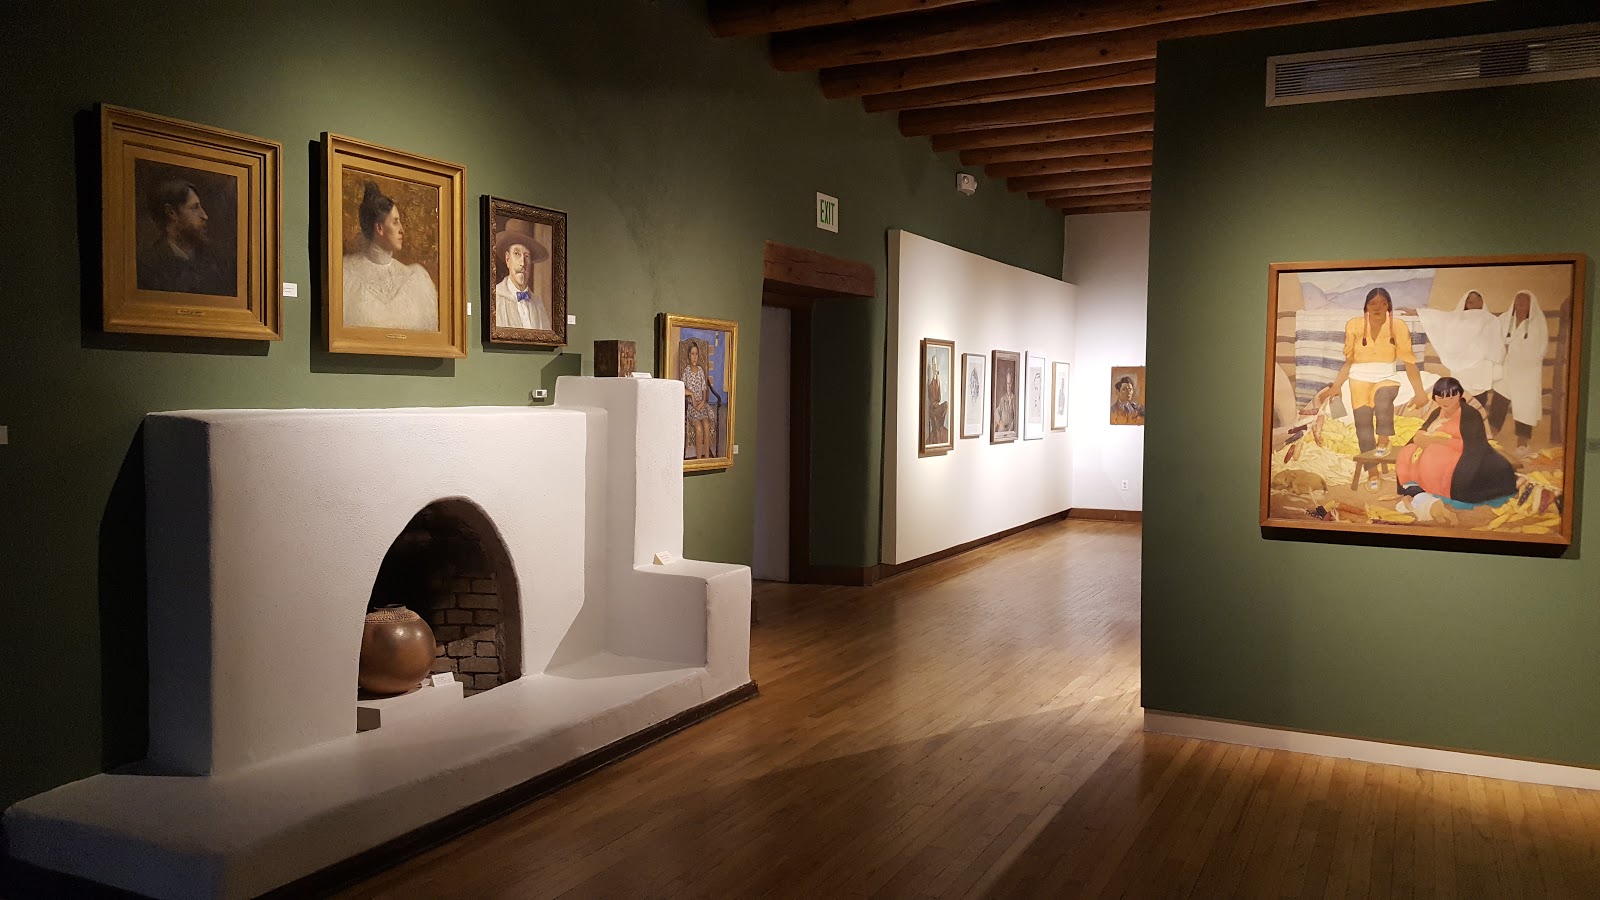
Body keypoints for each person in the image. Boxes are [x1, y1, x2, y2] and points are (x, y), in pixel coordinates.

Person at [1306, 288, 1426, 455]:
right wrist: (1337, 386)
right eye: (1372, 303)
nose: (1377, 307)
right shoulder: (1354, 325)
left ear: (1389, 306)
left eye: (1383, 303)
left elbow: (1410, 363)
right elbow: (1349, 361)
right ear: (1366, 307)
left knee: (1383, 399)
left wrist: (1420, 393)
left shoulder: (1398, 326)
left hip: (1387, 377)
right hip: (1359, 380)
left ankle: (1383, 442)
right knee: (1363, 425)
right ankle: (1371, 468)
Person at [1394, 376, 1517, 520]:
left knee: (1433, 455)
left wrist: (1437, 441)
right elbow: (1424, 428)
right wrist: (1420, 435)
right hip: (1430, 448)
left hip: (1461, 454)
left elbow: (1473, 444)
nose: (1445, 401)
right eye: (1441, 397)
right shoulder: (1436, 412)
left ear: (1459, 395)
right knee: (1407, 452)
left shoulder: (1470, 415)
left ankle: (1435, 493)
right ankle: (1414, 489)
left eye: (1451, 397)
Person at [341, 181, 439, 331]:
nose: (402, 230)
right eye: (395, 222)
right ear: (379, 228)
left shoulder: (417, 278)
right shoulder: (345, 273)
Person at [137, 179, 232, 295]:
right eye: (194, 207)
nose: (204, 216)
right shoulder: (148, 266)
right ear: (171, 212)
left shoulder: (218, 258)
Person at [1486, 290, 1547, 456]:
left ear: (1531, 304)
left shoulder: (1538, 323)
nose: (1520, 302)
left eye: (1524, 300)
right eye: (1518, 298)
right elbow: (1493, 339)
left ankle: (1523, 443)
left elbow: (1541, 349)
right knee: (1499, 402)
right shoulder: (1504, 319)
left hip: (1526, 373)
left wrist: (1521, 356)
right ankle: (1491, 436)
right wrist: (1502, 350)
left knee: (1525, 406)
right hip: (1506, 370)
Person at [1414, 290, 1504, 400]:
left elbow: (1496, 343)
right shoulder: (1456, 318)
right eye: (1470, 300)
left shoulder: (1492, 320)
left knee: (1479, 399)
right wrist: (1417, 312)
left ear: (1482, 302)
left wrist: (1494, 358)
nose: (1473, 302)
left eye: (1477, 299)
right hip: (1461, 366)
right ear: (1465, 302)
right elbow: (1438, 318)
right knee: (1460, 396)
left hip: (1481, 366)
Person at [492, 219, 551, 331]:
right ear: (508, 259)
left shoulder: (538, 304)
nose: (522, 263)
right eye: (517, 254)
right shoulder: (496, 298)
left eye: (526, 256)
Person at [682, 341, 719, 459]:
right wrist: (692, 395)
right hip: (692, 407)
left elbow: (704, 388)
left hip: (701, 405)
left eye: (696, 354)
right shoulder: (686, 371)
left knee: (706, 425)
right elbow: (681, 388)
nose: (694, 357)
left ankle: (706, 458)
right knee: (698, 428)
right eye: (692, 354)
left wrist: (703, 401)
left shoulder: (700, 371)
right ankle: (699, 459)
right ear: (689, 355)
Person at [926, 356, 948, 444]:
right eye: (934, 364)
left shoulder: (937, 380)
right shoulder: (931, 382)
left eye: (936, 364)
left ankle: (940, 425)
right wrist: (935, 377)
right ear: (932, 366)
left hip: (937, 406)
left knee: (946, 405)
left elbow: (939, 397)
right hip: (932, 407)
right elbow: (932, 397)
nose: (935, 366)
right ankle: (938, 428)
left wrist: (937, 378)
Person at [993, 369, 1017, 434]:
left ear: (1012, 383)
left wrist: (1010, 429)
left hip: (1011, 432)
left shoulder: (1015, 399)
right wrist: (1000, 422)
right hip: (1002, 431)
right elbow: (996, 412)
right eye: (1007, 383)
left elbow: (1016, 418)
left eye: (1010, 383)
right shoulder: (1003, 399)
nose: (1008, 386)